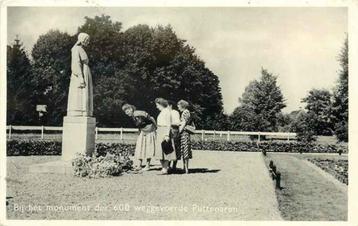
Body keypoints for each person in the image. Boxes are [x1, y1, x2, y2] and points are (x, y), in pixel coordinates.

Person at [122, 104, 156, 171]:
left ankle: (147, 165)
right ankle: (139, 165)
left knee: (148, 148)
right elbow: (140, 125)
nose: (127, 113)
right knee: (140, 147)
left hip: (149, 131)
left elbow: (151, 118)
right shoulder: (133, 116)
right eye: (125, 112)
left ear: (131, 109)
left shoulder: (139, 113)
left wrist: (155, 127)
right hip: (143, 131)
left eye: (127, 111)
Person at [67, 32, 93, 117]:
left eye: (88, 40)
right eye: (86, 40)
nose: (88, 42)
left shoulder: (81, 49)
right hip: (80, 75)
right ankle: (78, 112)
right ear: (82, 40)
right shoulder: (76, 49)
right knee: (79, 95)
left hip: (86, 72)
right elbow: (76, 63)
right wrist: (80, 77)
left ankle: (85, 111)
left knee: (85, 95)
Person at [154, 98, 177, 174]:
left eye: (157, 105)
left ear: (161, 104)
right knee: (160, 150)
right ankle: (163, 167)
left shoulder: (167, 112)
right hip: (160, 130)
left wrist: (167, 135)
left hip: (164, 131)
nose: (156, 107)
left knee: (166, 149)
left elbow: (168, 124)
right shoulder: (162, 112)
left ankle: (165, 168)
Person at [178, 100, 193, 174]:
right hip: (186, 133)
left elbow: (184, 123)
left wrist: (179, 131)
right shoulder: (187, 112)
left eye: (179, 106)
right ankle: (185, 168)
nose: (178, 108)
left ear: (182, 105)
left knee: (185, 150)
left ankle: (186, 168)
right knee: (185, 150)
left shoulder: (185, 112)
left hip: (184, 133)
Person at [167, 100, 181, 171]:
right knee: (168, 147)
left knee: (175, 147)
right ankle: (168, 165)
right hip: (168, 130)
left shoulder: (175, 112)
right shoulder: (166, 112)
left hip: (174, 130)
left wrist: (170, 123)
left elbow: (178, 123)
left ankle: (174, 166)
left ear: (170, 105)